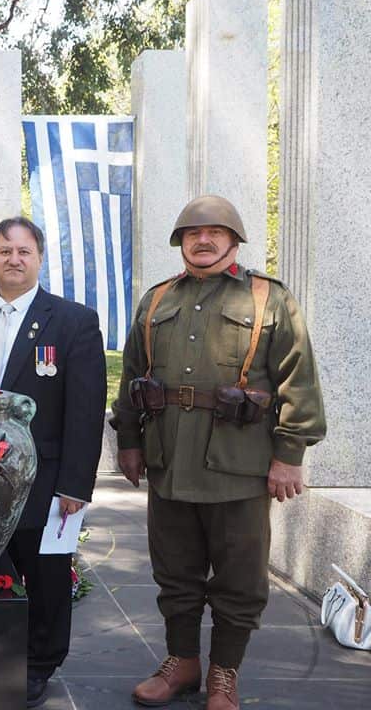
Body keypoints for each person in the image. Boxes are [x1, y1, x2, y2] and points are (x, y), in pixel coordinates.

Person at [111, 195, 326, 710]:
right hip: (170, 465)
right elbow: (132, 378)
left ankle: (224, 673)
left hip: (238, 469)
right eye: (193, 233)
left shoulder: (268, 298)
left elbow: (298, 381)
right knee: (174, 575)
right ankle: (182, 662)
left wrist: (289, 454)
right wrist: (129, 442)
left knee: (240, 581)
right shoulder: (157, 300)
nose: (202, 240)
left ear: (233, 240)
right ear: (181, 242)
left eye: (214, 232)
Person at [0, 216, 106, 708]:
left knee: (45, 572)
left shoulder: (73, 321)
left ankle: (40, 661)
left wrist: (75, 484)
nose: (13, 259)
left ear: (39, 258)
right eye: (4, 251)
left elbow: (86, 410)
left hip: (45, 474)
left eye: (23, 251)